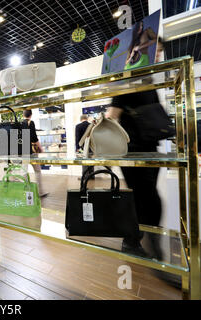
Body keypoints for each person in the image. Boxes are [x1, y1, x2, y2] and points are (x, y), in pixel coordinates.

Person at [106, 41, 167, 259]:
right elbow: (112, 116)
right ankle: (142, 241)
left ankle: (137, 239)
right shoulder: (128, 81)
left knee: (146, 198)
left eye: (160, 51)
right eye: (156, 51)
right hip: (132, 150)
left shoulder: (147, 81)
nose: (159, 55)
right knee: (147, 199)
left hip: (150, 146)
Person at [22, 109, 47, 197]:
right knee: (37, 171)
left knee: (24, 171)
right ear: (31, 115)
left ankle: (26, 191)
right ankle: (39, 191)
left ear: (23, 115)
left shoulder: (20, 124)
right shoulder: (30, 123)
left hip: (23, 152)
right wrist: (40, 148)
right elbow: (34, 137)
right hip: (31, 152)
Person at [75, 114, 94, 179]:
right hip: (92, 146)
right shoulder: (92, 125)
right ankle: (92, 175)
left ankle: (85, 176)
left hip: (82, 146)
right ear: (87, 118)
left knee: (84, 160)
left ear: (81, 119)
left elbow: (77, 138)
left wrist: (77, 148)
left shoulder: (78, 126)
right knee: (92, 160)